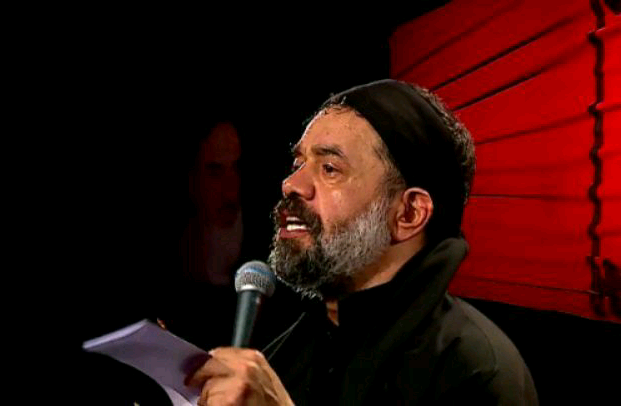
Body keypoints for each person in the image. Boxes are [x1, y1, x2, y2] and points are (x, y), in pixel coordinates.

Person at [186, 79, 538, 405]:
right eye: (298, 163)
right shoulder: (290, 352)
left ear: (408, 214)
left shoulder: (475, 369)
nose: (291, 184)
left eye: (329, 169)